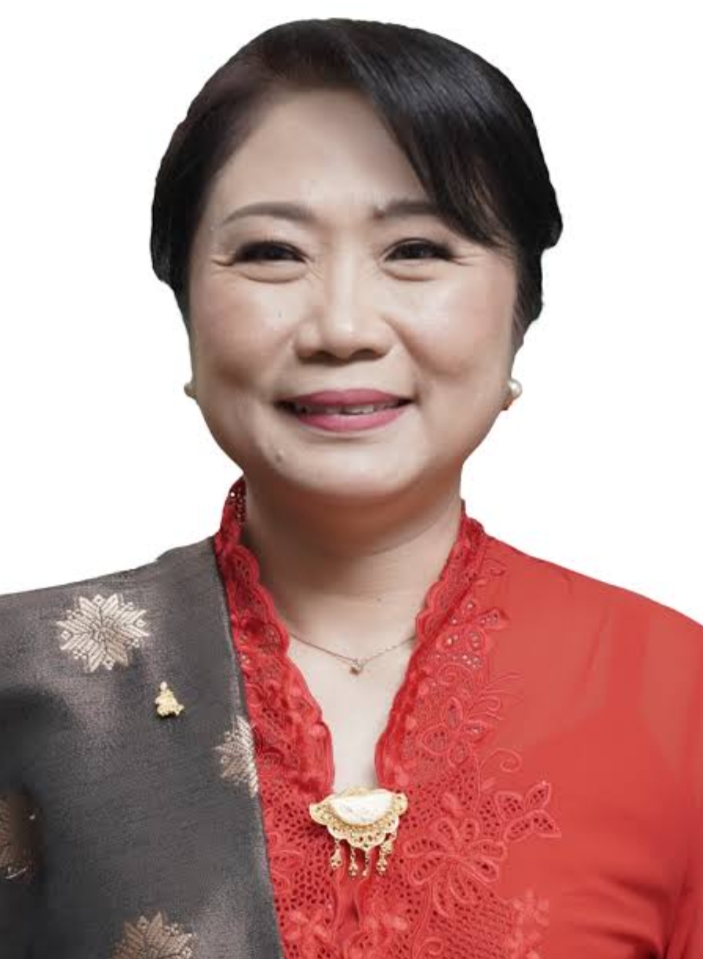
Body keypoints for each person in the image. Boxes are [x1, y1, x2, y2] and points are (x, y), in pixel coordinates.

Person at [1, 16, 700, 959]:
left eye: (416, 250)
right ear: (184, 308)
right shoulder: (29, 682)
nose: (341, 327)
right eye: (271, 253)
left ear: (520, 310)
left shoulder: (674, 693)